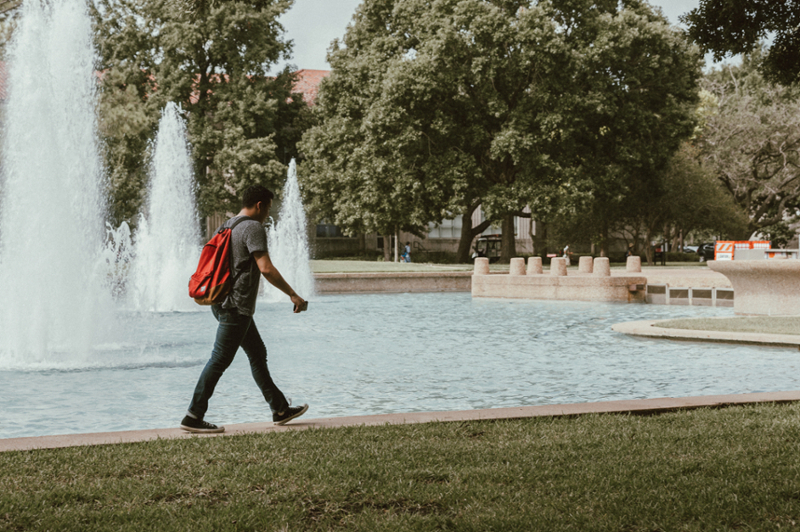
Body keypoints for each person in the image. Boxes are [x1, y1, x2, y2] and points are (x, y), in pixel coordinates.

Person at [180, 185, 309, 433]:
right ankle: (193, 415)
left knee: (257, 353)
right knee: (219, 360)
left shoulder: (226, 225)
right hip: (236, 307)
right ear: (259, 205)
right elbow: (266, 268)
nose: (268, 214)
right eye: (268, 208)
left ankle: (280, 409)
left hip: (221, 303)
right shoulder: (253, 227)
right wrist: (293, 294)